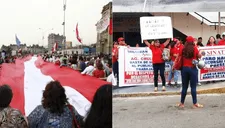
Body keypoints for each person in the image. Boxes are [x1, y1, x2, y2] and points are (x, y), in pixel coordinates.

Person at [177, 36, 203, 108]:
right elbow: (199, 56)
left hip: (184, 69)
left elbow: (178, 56)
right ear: (192, 41)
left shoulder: (182, 48)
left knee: (184, 87)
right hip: (193, 69)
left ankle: (182, 103)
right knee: (193, 87)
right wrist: (200, 52)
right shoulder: (194, 48)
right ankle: (195, 103)